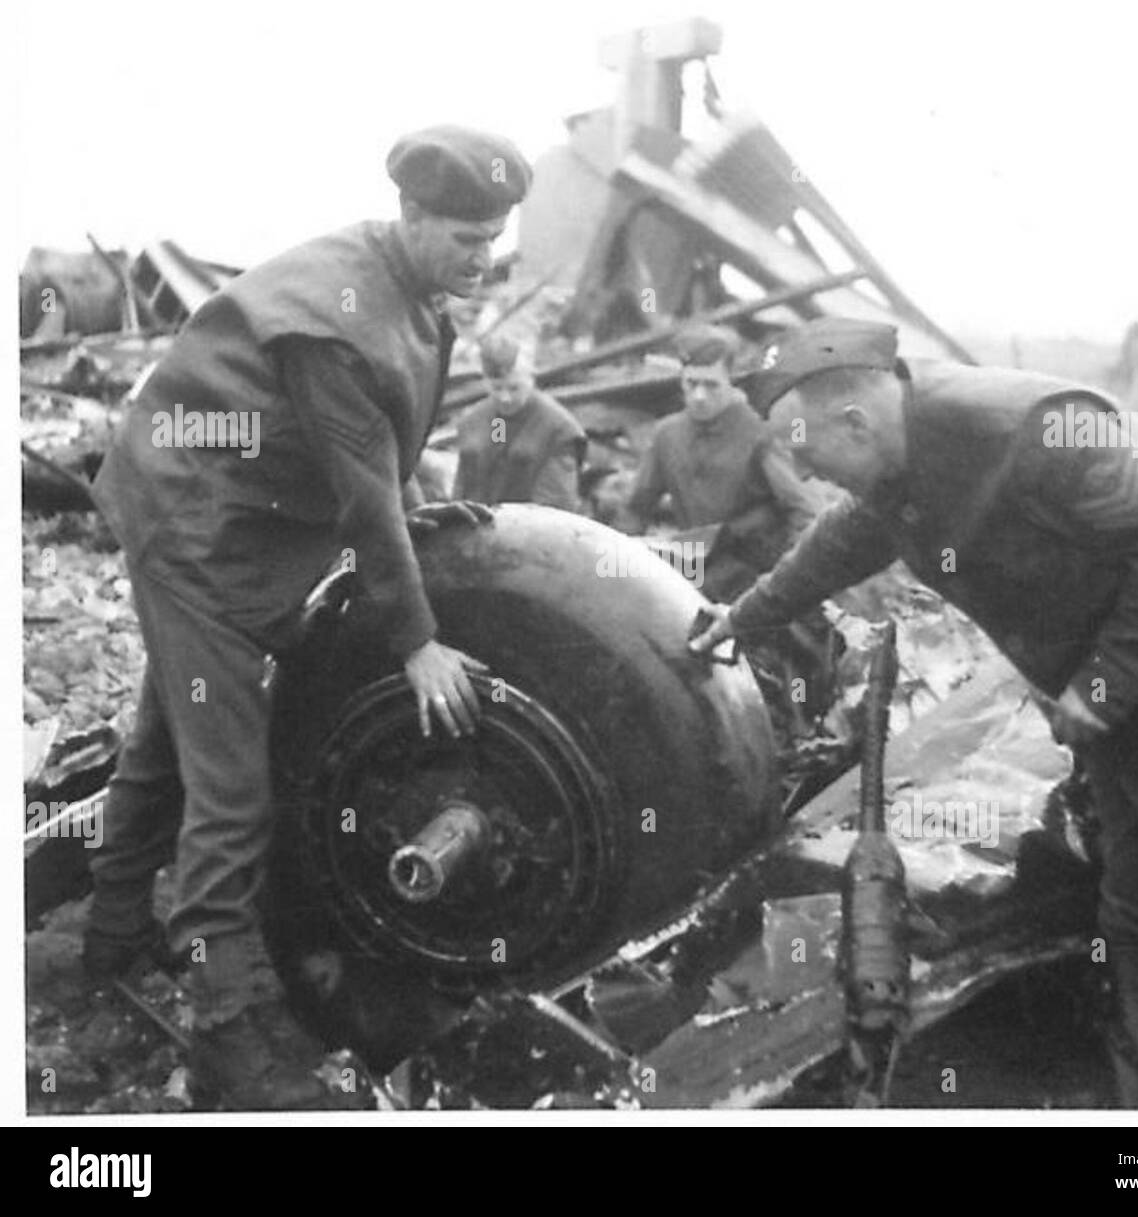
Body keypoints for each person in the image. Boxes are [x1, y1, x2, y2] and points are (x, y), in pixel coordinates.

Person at [691, 318, 1138, 1108]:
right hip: (1114, 699)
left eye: (812, 458)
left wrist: (1099, 690)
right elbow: (845, 539)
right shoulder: (897, 460)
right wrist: (740, 617)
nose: (811, 477)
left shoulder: (1038, 432)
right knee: (1136, 913)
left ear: (856, 423)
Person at [85, 125, 532, 1109]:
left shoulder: (405, 285)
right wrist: (415, 641)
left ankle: (112, 928)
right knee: (232, 790)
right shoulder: (334, 316)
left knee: (173, 735)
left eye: (495, 236)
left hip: (246, 517)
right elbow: (364, 495)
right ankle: (227, 1030)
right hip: (194, 526)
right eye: (466, 235)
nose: (483, 257)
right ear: (412, 214)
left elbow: (383, 452)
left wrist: (420, 512)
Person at [625, 324, 817, 602]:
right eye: (692, 384)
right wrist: (614, 559)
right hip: (695, 564)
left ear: (732, 380)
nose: (700, 396)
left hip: (753, 575)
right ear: (680, 379)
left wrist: (788, 583)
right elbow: (636, 511)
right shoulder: (668, 435)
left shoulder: (760, 433)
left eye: (711, 385)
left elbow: (804, 512)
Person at [453, 334, 586, 511]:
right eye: (496, 388)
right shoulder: (489, 421)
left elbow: (556, 505)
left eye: (514, 388)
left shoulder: (558, 430)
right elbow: (495, 449)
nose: (505, 398)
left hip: (531, 530)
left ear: (531, 378)